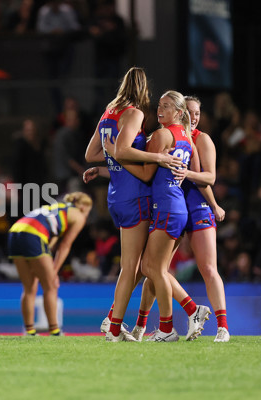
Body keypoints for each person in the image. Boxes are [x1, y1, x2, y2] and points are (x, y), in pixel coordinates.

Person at [83, 67, 183, 342]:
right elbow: (123, 149)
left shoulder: (109, 111)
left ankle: (116, 324)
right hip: (135, 195)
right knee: (135, 268)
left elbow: (91, 153)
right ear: (143, 89)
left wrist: (109, 165)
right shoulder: (134, 112)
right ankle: (119, 328)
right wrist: (158, 159)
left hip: (116, 195)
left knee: (136, 267)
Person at [129, 96, 230, 342]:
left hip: (194, 208)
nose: (194, 117)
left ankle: (221, 327)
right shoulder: (180, 136)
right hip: (174, 207)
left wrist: (214, 204)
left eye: (197, 113)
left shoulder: (200, 139)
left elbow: (209, 178)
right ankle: (142, 326)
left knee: (206, 267)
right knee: (154, 269)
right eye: (191, 112)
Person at [108, 90, 204, 342]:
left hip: (166, 207)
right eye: (159, 105)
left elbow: (145, 174)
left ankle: (168, 327)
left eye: (167, 106)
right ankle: (186, 315)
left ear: (179, 112)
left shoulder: (161, 134)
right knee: (152, 267)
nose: (160, 110)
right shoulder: (186, 137)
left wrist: (115, 153)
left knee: (152, 268)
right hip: (176, 206)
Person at [8, 192, 92, 336]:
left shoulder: (57, 207)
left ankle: (29, 331)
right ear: (84, 207)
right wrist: (54, 271)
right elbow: (65, 245)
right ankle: (55, 330)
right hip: (34, 234)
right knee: (51, 286)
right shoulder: (78, 215)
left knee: (29, 287)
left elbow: (50, 243)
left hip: (15, 231)